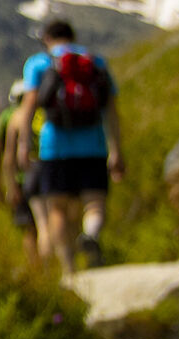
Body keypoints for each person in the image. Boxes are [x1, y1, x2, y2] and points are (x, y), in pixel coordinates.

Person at [10, 19, 122, 276]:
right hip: (93, 145)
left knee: (57, 209)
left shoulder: (39, 63)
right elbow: (111, 111)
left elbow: (29, 106)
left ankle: (69, 270)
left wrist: (24, 145)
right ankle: (91, 233)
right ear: (73, 36)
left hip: (54, 147)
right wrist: (116, 150)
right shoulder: (96, 62)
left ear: (47, 38)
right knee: (94, 203)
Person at [0, 77, 41, 261]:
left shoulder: (9, 116)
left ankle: (38, 271)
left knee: (29, 230)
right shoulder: (43, 112)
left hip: (22, 179)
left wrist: (3, 187)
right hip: (48, 173)